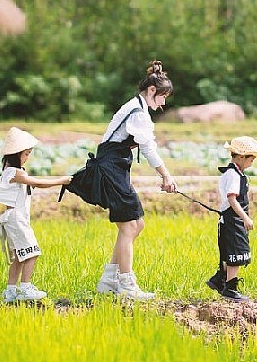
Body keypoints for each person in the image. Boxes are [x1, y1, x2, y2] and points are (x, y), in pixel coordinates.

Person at [62, 61, 178, 300]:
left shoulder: (138, 109)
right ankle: (126, 284)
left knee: (137, 224)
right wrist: (166, 175)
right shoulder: (138, 113)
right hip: (110, 169)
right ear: (152, 91)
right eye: (163, 97)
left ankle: (109, 279)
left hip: (116, 168)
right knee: (129, 225)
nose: (164, 103)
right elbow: (147, 147)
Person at [0, 127, 72, 302]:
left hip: (14, 218)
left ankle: (10, 291)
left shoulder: (9, 171)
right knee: (32, 252)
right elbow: (38, 183)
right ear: (16, 154)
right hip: (16, 218)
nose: (28, 157)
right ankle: (25, 287)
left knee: (20, 255)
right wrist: (61, 180)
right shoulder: (15, 172)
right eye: (26, 154)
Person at [206, 136, 257, 302]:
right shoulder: (233, 175)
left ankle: (219, 280)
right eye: (252, 158)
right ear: (241, 157)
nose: (253, 161)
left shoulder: (235, 172)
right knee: (237, 254)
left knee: (232, 252)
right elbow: (232, 198)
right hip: (233, 220)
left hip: (232, 219)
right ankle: (230, 288)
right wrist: (245, 218)